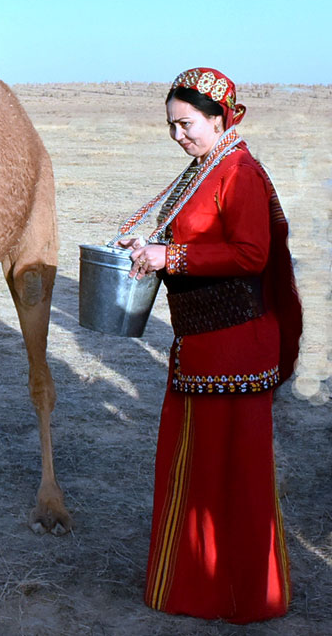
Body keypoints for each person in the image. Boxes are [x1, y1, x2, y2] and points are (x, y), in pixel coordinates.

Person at [116, 67, 302, 623]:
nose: (178, 135)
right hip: (202, 344)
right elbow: (193, 236)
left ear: (221, 119)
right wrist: (147, 244)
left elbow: (251, 255)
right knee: (197, 469)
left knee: (232, 474)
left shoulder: (239, 171)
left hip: (235, 346)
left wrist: (169, 258)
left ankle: (242, 595)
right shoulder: (204, 168)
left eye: (187, 124)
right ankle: (198, 588)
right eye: (171, 126)